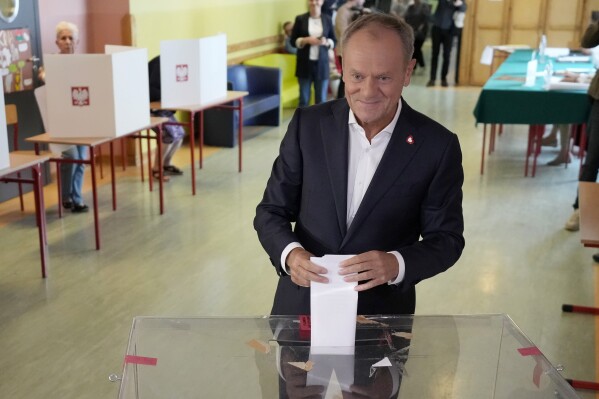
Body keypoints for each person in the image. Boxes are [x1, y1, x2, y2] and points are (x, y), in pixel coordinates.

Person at [254, 13, 465, 316]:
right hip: (301, 310)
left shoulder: (438, 146)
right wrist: (290, 255)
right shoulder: (307, 126)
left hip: (383, 320)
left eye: (383, 78)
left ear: (408, 72)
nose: (367, 92)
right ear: (340, 68)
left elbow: (447, 240)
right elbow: (270, 211)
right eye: (356, 76)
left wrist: (397, 263)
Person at [42, 22, 89, 213]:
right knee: (72, 156)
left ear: (77, 42)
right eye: (63, 38)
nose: (67, 42)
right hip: (61, 121)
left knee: (81, 159)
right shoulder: (52, 62)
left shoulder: (83, 64)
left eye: (71, 38)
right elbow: (44, 75)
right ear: (57, 42)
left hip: (81, 120)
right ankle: (66, 195)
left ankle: (76, 198)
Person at [290, 0, 337, 107]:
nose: (314, 2)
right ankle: (303, 123)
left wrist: (326, 42)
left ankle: (319, 123)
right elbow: (293, 41)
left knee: (321, 100)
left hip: (322, 65)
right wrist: (305, 40)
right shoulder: (300, 19)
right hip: (304, 64)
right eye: (312, 0)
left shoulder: (328, 19)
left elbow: (334, 40)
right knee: (304, 99)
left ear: (322, 2)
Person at [148, 55, 185, 181]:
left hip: (163, 108)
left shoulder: (173, 63)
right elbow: (150, 91)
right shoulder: (159, 64)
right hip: (150, 108)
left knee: (180, 134)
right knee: (168, 135)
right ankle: (156, 168)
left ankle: (166, 164)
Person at [427, 0, 467, 88]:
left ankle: (443, 79)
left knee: (447, 55)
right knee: (435, 54)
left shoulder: (458, 1)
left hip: (449, 30)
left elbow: (464, 8)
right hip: (437, 28)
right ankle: (432, 79)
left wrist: (458, 4)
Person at [334, 0, 369, 98]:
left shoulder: (359, 10)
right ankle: (340, 103)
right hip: (346, 51)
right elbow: (344, 33)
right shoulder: (343, 11)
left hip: (358, 51)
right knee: (346, 78)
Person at [403, 0, 430, 72]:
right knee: (415, 49)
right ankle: (421, 65)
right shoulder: (410, 7)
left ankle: (415, 67)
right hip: (411, 31)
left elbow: (426, 20)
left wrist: (419, 29)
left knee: (416, 48)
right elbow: (406, 18)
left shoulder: (424, 7)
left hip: (420, 33)